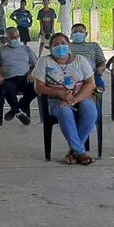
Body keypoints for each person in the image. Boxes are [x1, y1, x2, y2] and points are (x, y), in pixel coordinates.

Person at [33, 34, 98, 165]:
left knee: (91, 112)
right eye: (56, 44)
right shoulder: (44, 61)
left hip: (80, 97)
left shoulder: (80, 60)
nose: (60, 46)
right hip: (55, 100)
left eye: (63, 43)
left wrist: (73, 100)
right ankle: (80, 152)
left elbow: (90, 84)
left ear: (68, 45)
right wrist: (59, 93)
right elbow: (38, 87)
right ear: (50, 47)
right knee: (65, 112)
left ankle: (73, 151)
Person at [0, 27, 37, 126]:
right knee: (8, 89)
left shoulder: (26, 49)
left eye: (17, 36)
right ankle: (18, 112)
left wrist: (31, 72)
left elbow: (36, 64)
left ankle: (16, 108)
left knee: (36, 88)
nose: (16, 39)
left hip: (25, 77)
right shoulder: (0, 50)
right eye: (13, 37)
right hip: (9, 78)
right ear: (7, 38)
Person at [69, 23, 107, 92]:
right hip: (71, 72)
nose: (78, 34)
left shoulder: (94, 45)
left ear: (86, 34)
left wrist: (101, 67)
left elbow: (101, 61)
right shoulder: (67, 46)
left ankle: (96, 91)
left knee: (98, 85)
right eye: (75, 32)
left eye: (81, 32)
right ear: (71, 34)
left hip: (91, 73)